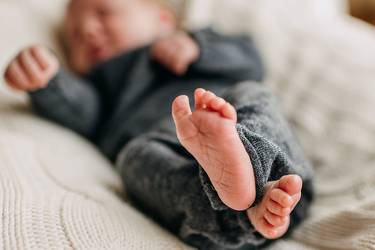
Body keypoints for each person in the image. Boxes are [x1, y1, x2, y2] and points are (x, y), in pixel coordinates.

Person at [3, 0, 314, 249]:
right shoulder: (101, 85)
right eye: (73, 35)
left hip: (271, 166)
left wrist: (198, 48)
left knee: (252, 93)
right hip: (172, 159)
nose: (86, 30)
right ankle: (241, 206)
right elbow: (84, 113)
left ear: (162, 19)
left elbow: (251, 60)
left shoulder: (198, 40)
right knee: (133, 157)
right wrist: (49, 82)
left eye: (103, 11)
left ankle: (252, 168)